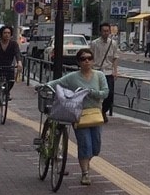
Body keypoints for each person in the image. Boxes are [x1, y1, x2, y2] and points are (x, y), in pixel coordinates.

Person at [47, 50, 113, 184]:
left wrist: (92, 92)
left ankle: (86, 163)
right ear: (78, 62)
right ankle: (85, 173)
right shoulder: (72, 77)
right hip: (79, 114)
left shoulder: (99, 76)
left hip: (95, 114)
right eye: (83, 59)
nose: (87, 61)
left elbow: (105, 93)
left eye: (89, 58)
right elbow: (57, 83)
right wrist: (45, 86)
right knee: (85, 144)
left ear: (93, 61)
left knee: (95, 146)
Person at [0, 25, 22, 113]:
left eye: (8, 33)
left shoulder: (13, 44)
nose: (7, 35)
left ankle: (6, 93)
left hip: (8, 67)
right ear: (1, 34)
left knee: (11, 81)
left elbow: (17, 54)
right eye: (5, 33)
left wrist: (19, 62)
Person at [89, 23, 120, 113]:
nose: (106, 33)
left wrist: (115, 71)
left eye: (107, 31)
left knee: (110, 95)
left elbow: (115, 57)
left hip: (108, 72)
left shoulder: (113, 43)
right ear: (100, 32)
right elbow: (90, 57)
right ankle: (97, 112)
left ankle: (103, 112)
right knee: (96, 93)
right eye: (104, 31)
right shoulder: (94, 43)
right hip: (96, 71)